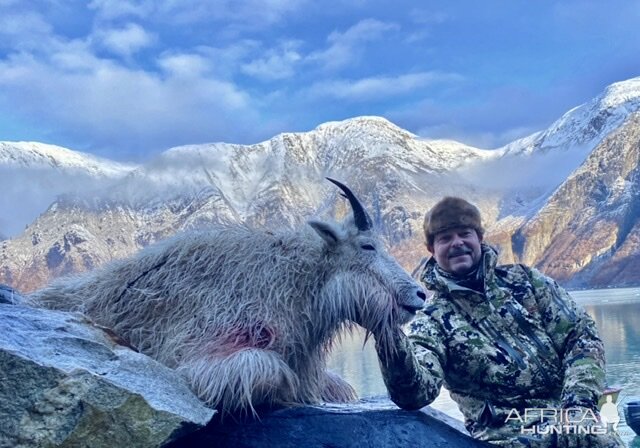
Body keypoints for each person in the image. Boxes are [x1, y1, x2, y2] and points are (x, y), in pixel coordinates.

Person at [372, 197, 625, 448]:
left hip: (570, 415)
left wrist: (578, 404)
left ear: (479, 238)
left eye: (464, 233)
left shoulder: (525, 282)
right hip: (505, 434)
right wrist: (387, 335)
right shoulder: (432, 320)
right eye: (445, 238)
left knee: (602, 439)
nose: (457, 243)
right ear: (432, 249)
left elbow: (580, 337)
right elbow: (416, 392)